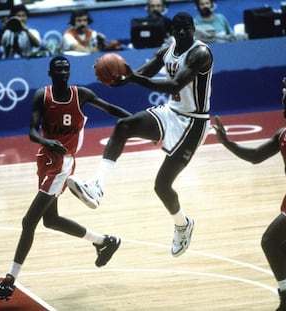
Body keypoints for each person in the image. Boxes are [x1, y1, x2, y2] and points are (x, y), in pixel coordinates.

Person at [0, 56, 131, 301]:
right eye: (59, 68)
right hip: (45, 158)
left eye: (66, 68)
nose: (63, 72)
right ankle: (104, 241)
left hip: (62, 165)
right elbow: (31, 131)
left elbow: (111, 109)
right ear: (51, 72)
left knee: (28, 221)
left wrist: (138, 122)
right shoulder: (42, 95)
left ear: (69, 72)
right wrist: (45, 140)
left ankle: (9, 281)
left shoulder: (81, 94)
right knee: (50, 220)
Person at [67, 12, 213, 258]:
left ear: (193, 28)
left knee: (162, 186)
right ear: (173, 30)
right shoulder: (168, 49)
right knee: (124, 125)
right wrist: (121, 79)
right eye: (177, 28)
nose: (181, 32)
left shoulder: (201, 53)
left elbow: (174, 85)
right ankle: (97, 187)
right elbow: (145, 70)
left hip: (194, 122)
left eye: (185, 28)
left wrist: (135, 78)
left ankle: (182, 224)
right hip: (171, 112)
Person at [212, 78, 286, 311]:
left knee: (268, 241)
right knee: (284, 251)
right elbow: (255, 156)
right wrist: (226, 142)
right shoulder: (283, 134)